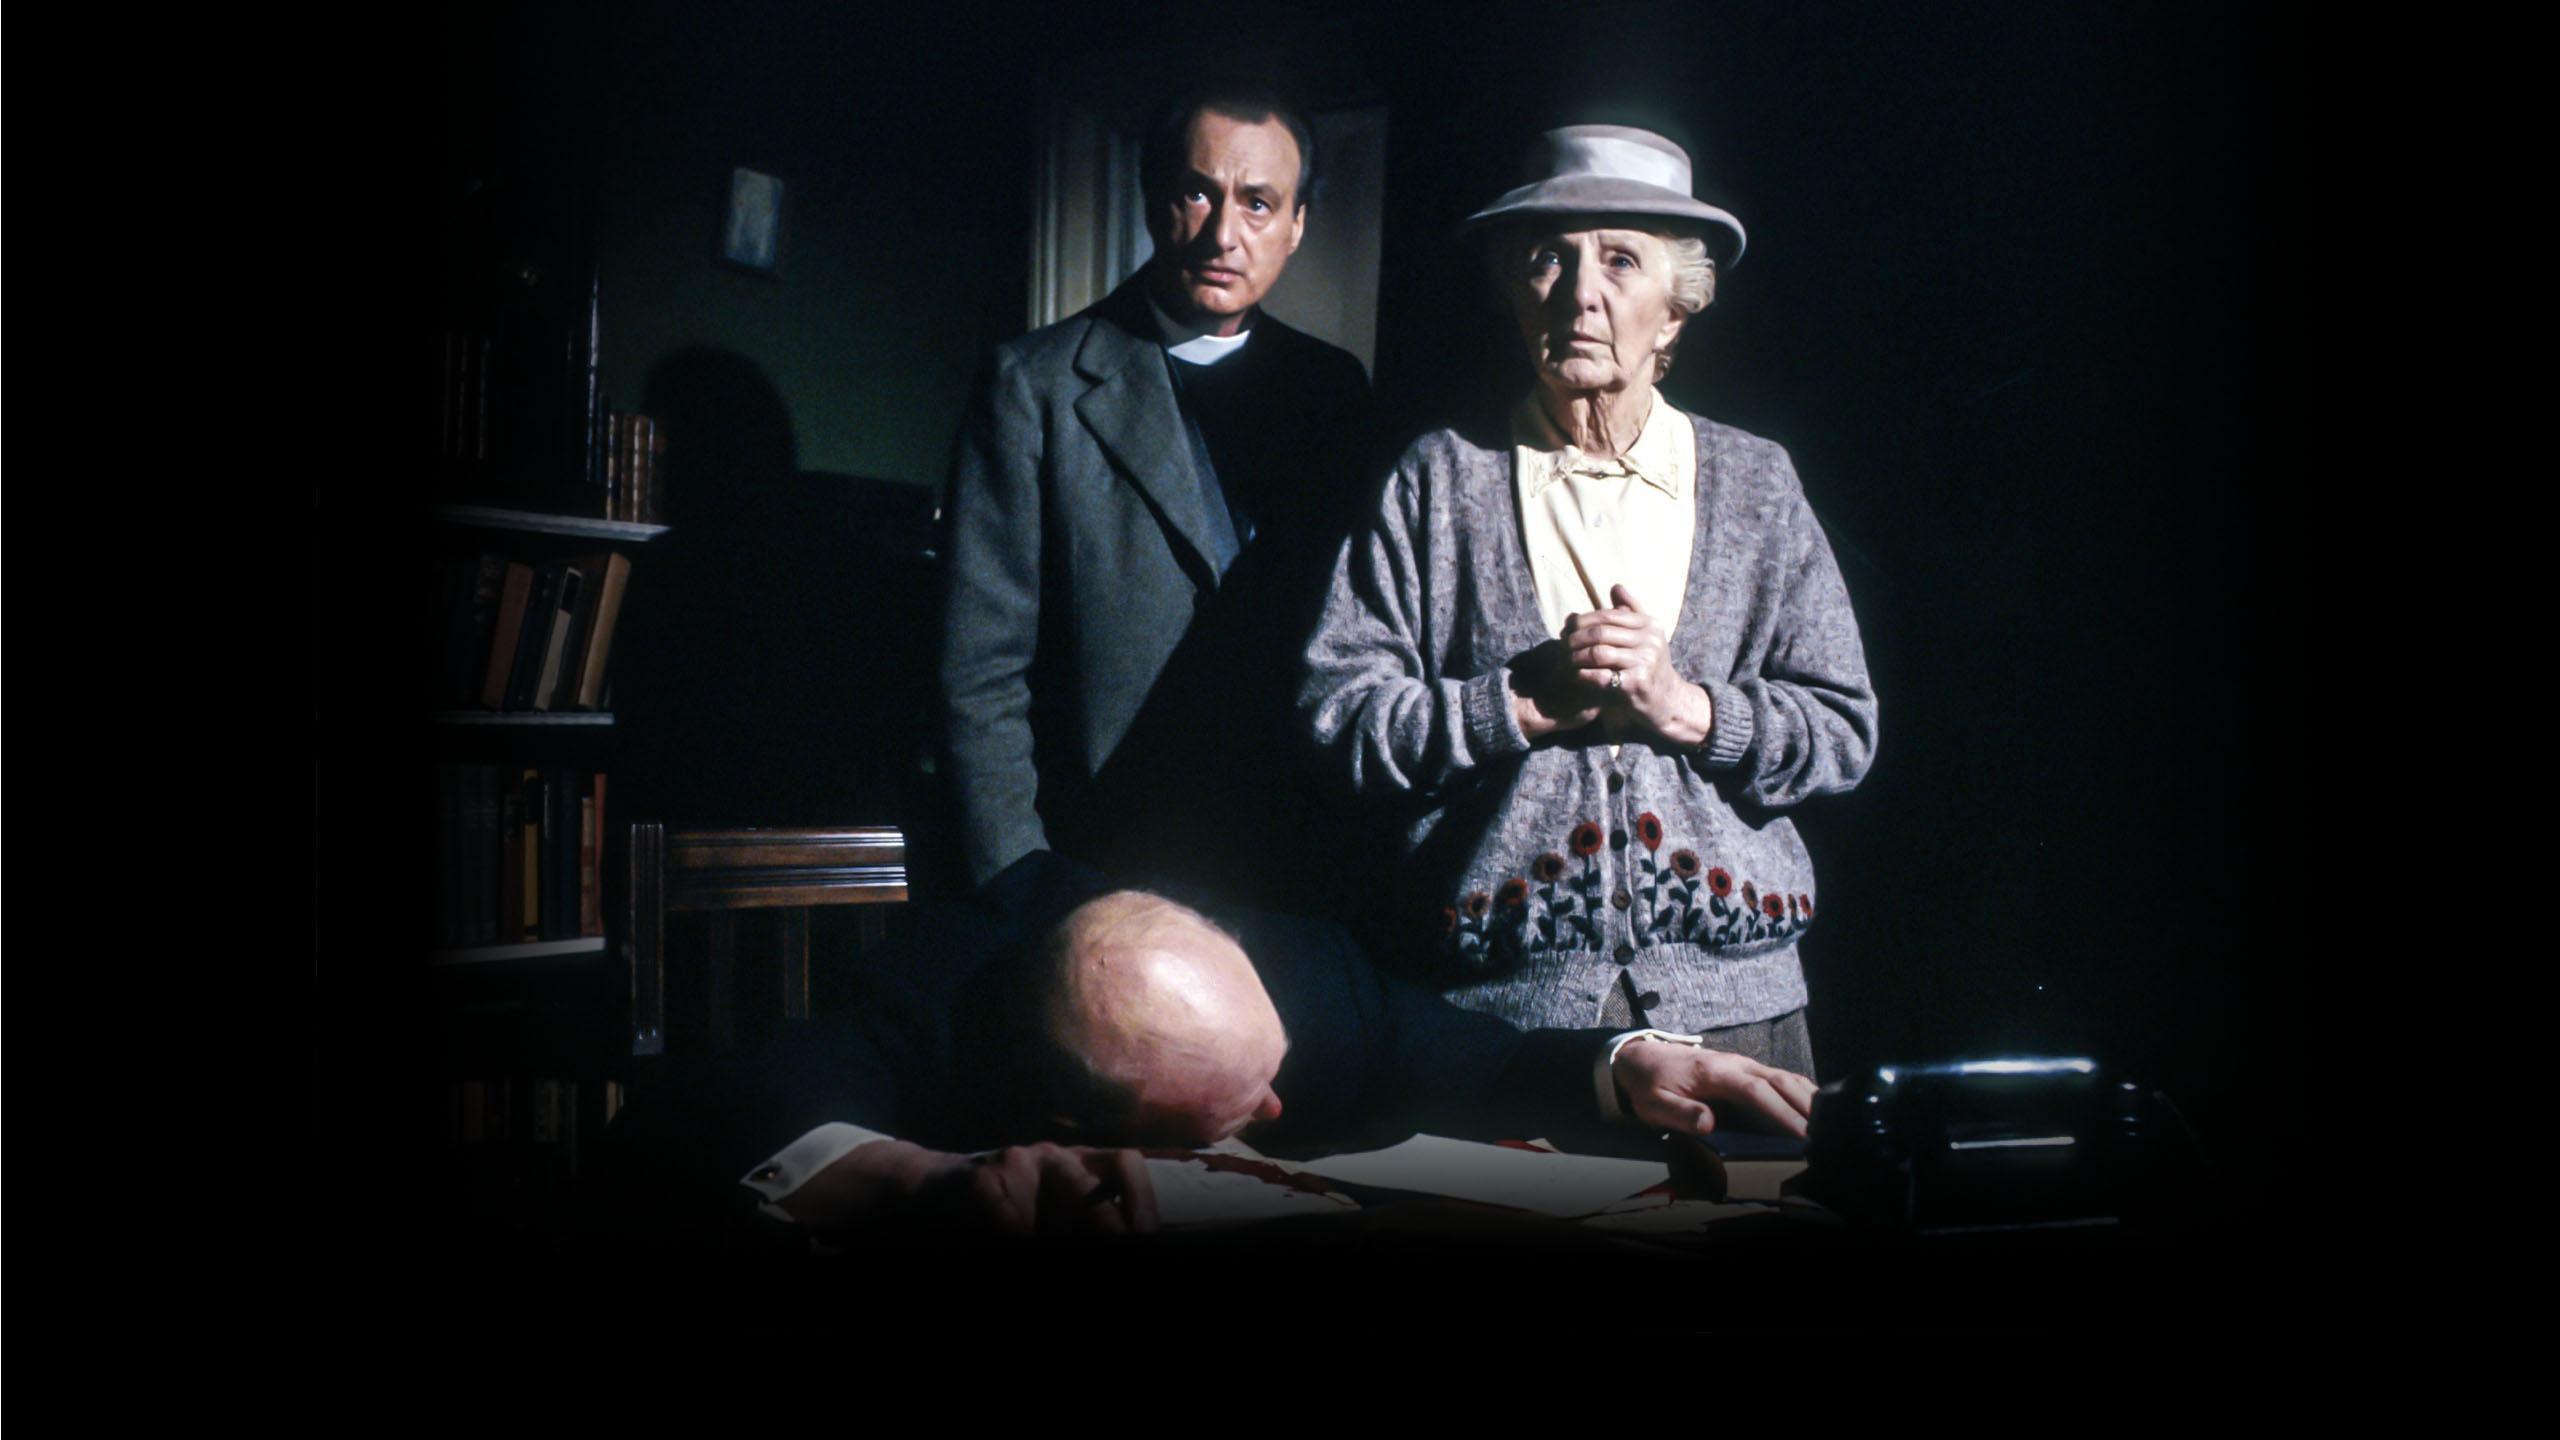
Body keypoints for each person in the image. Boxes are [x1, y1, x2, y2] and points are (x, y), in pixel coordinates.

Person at [1301, 125, 1878, 1071]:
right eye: (1547, 259)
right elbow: (1342, 722)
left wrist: (1689, 711)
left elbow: (1843, 729)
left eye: (1620, 260)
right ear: (1512, 290)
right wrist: (1520, 705)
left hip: (1741, 1014)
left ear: (1676, 309)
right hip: (1501, 1026)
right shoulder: (1439, 479)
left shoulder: (1757, 483)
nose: (1580, 292)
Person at [592, 852, 1815, 1239]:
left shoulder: (1300, 973)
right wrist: (924, 1180)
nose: (1276, 1108)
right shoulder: (932, 1010)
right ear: (1070, 1114)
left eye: (1265, 1071)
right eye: (1235, 1103)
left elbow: (1470, 1055)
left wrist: (1628, 1059)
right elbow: (699, 1116)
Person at [938, 89, 1374, 907]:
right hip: (1101, 863)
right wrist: (1021, 889)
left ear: (1296, 225)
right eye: (1198, 194)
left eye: (1258, 203)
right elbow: (979, 674)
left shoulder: (1335, 390)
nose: (1224, 234)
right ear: (1151, 198)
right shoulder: (1034, 384)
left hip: (1290, 866)